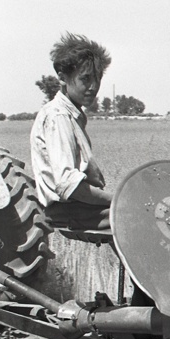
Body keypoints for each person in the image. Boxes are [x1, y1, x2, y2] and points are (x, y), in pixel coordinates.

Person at [31, 33, 112, 230]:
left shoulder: (72, 115)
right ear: (62, 77)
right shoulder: (58, 116)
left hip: (79, 206)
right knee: (136, 214)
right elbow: (69, 185)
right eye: (85, 79)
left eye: (97, 78)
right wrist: (119, 199)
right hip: (67, 209)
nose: (93, 87)